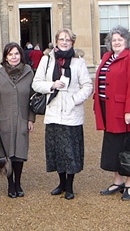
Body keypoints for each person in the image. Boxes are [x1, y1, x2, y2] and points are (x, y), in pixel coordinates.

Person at [32, 29, 93, 200]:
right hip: (53, 111)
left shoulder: (78, 62)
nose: (64, 42)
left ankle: (70, 186)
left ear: (72, 42)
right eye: (61, 39)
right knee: (57, 150)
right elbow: (36, 84)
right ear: (56, 41)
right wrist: (51, 85)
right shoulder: (47, 59)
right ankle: (61, 183)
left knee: (70, 151)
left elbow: (87, 86)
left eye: (68, 40)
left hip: (71, 113)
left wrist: (74, 100)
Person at [93, 25, 130, 201]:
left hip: (125, 111)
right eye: (114, 40)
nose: (116, 42)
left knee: (129, 147)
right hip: (108, 109)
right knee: (114, 147)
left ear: (126, 41)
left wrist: (129, 111)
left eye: (120, 39)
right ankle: (117, 181)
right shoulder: (107, 56)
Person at [0, 42, 35, 198]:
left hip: (22, 117)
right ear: (5, 56)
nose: (13, 57)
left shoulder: (29, 72)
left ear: (21, 55)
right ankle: (10, 184)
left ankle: (18, 183)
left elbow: (33, 97)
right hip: (4, 118)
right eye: (10, 54)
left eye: (16, 54)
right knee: (7, 153)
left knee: (19, 152)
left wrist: (31, 119)